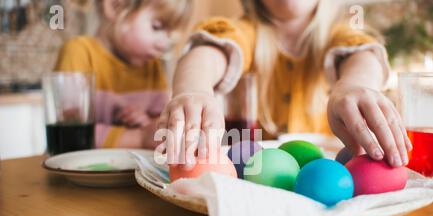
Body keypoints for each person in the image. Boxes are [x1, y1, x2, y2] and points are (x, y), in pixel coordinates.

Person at [158, 0, 412, 168]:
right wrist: (194, 88)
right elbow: (209, 51)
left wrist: (354, 84)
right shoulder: (246, 31)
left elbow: (362, 55)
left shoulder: (340, 32)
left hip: (321, 178)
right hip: (252, 183)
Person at [55, 0, 193, 148]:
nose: (164, 44)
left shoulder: (153, 67)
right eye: (156, 27)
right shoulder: (78, 52)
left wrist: (146, 121)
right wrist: (139, 137)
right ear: (116, 7)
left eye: (169, 34)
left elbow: (159, 124)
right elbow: (70, 132)